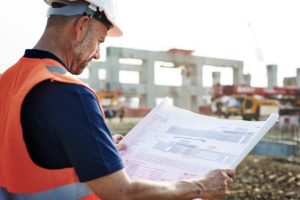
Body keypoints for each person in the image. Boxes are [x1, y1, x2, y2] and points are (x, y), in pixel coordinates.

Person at [0, 0, 235, 199]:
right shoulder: (70, 94)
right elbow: (122, 192)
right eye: (100, 41)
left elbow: (30, 148)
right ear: (82, 26)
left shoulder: (7, 81)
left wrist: (94, 145)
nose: (97, 54)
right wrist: (202, 185)